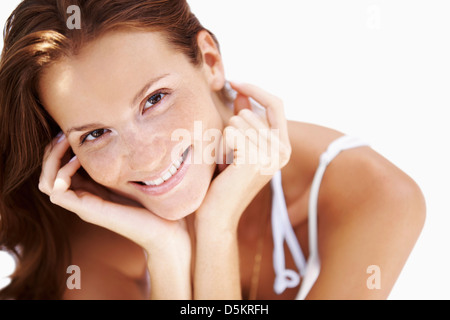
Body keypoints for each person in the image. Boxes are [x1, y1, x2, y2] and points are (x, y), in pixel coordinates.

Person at [0, 0, 426, 300]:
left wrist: (217, 224)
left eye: (155, 99)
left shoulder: (375, 196)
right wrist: (165, 253)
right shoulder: (92, 233)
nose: (146, 157)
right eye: (95, 134)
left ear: (210, 61)